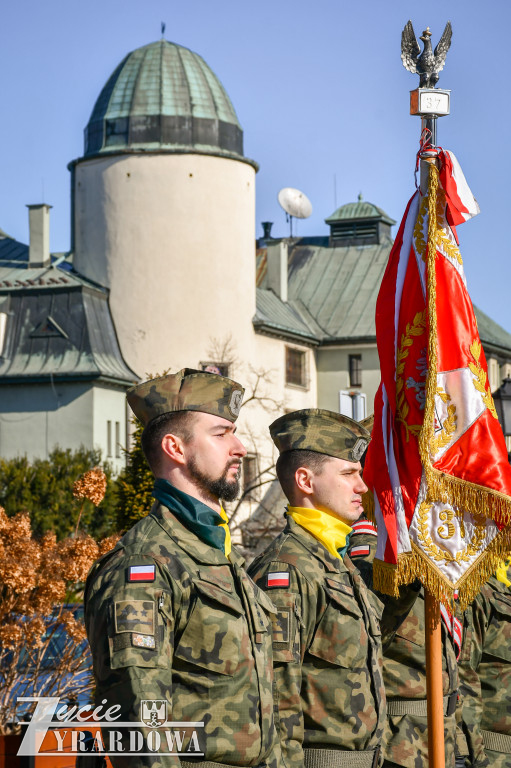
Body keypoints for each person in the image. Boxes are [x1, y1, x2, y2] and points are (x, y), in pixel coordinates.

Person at [84, 368, 279, 768]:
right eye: (222, 434)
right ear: (175, 447)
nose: (239, 447)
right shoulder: (143, 565)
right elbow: (142, 727)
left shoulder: (220, 557)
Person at [248, 408, 418, 768]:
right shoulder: (286, 570)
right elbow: (277, 698)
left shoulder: (337, 561)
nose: (362, 486)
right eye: (349, 474)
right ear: (305, 481)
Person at [347, 520, 460, 768]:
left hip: (443, 734)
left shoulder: (432, 558)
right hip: (400, 740)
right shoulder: (374, 553)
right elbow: (372, 633)